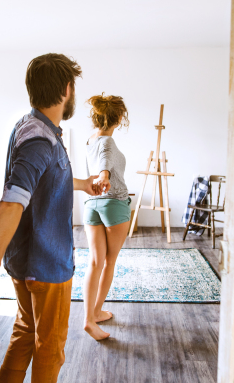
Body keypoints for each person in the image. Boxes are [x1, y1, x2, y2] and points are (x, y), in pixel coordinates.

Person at [0, 53, 100, 383]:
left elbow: (44, 181)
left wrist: (83, 185)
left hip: (25, 261)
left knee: (26, 334)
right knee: (50, 349)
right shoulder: (40, 139)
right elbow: (12, 203)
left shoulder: (33, 128)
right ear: (66, 90)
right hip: (46, 266)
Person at [82, 93, 131, 341]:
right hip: (114, 203)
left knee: (94, 262)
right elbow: (105, 162)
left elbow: (100, 160)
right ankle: (96, 312)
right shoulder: (108, 142)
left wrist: (101, 176)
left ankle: (89, 317)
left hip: (91, 205)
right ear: (119, 117)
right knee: (109, 262)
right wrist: (104, 175)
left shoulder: (91, 140)